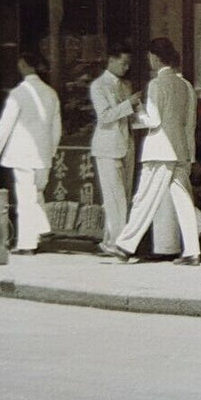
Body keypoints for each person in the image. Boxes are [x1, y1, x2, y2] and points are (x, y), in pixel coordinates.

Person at [99, 38, 201, 266]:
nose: (149, 61)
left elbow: (153, 119)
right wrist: (190, 156)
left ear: (156, 58)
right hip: (180, 152)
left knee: (143, 199)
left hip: (159, 150)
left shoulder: (157, 85)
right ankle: (192, 251)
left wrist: (136, 115)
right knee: (184, 200)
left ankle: (124, 247)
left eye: (150, 57)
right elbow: (190, 125)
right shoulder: (185, 86)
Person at [0, 52, 62, 254]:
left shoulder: (18, 93)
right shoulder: (51, 93)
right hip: (43, 154)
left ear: (23, 65)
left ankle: (27, 244)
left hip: (21, 153)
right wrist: (51, 152)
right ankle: (42, 227)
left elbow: (5, 124)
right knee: (36, 192)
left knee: (25, 197)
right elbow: (56, 128)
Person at [88, 41, 140, 247]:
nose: (126, 68)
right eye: (124, 63)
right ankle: (120, 244)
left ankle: (109, 240)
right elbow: (105, 116)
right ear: (111, 60)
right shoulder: (98, 86)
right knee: (115, 198)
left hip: (127, 144)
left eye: (129, 64)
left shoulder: (126, 85)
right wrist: (129, 104)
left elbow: (127, 116)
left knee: (123, 197)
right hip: (108, 148)